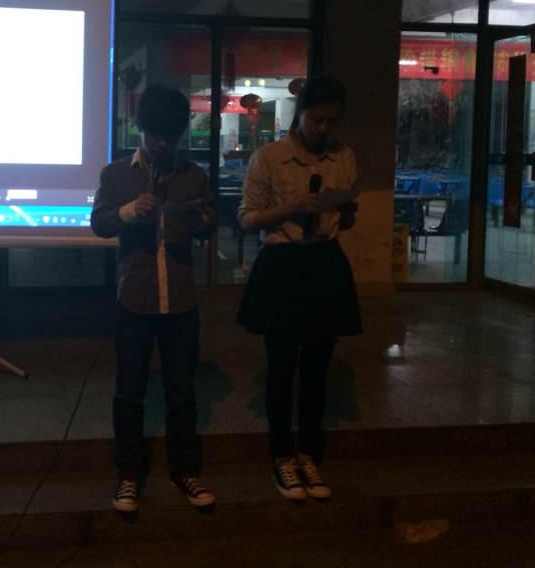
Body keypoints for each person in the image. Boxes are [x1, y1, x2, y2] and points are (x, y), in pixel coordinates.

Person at [90, 85, 218, 513]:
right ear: (140, 128)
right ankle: (129, 476)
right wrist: (129, 212)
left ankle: (186, 472)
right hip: (134, 298)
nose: (161, 143)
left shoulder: (193, 175)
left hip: (181, 300)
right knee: (129, 392)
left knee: (182, 392)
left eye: (169, 135)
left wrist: (198, 218)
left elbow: (211, 220)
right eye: (154, 134)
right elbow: (99, 224)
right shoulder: (116, 174)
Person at [236, 76, 362, 502]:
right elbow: (246, 218)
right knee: (281, 365)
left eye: (332, 122)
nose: (324, 129)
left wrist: (345, 209)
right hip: (283, 264)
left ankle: (308, 454)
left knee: (317, 367)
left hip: (325, 261)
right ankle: (281, 457)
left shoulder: (344, 156)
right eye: (317, 120)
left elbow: (348, 218)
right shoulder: (269, 157)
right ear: (300, 114)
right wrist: (292, 207)